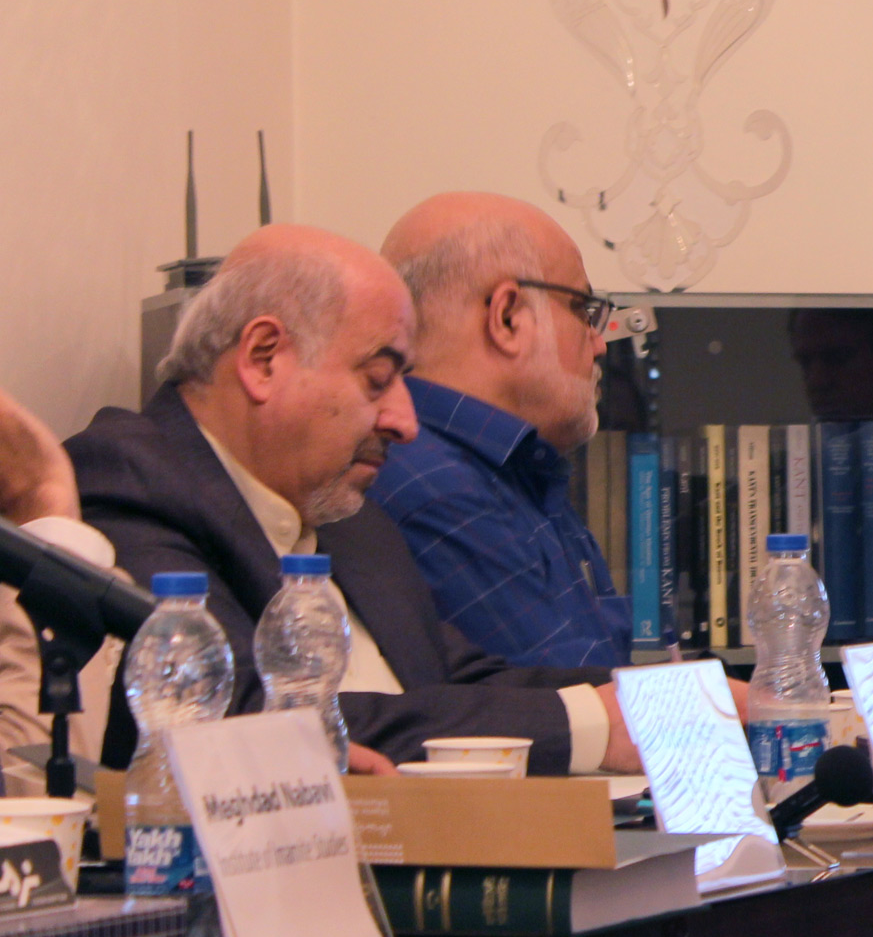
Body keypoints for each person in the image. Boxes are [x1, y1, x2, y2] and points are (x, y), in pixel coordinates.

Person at [68, 225, 644, 774]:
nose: (406, 423)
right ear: (263, 359)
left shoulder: (349, 516)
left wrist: (652, 699)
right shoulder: (129, 481)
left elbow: (456, 682)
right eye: (377, 379)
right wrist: (588, 723)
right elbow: (241, 719)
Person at [371, 193, 631, 668]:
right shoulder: (439, 492)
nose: (599, 344)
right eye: (583, 310)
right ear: (507, 317)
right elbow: (580, 700)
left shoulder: (515, 471)